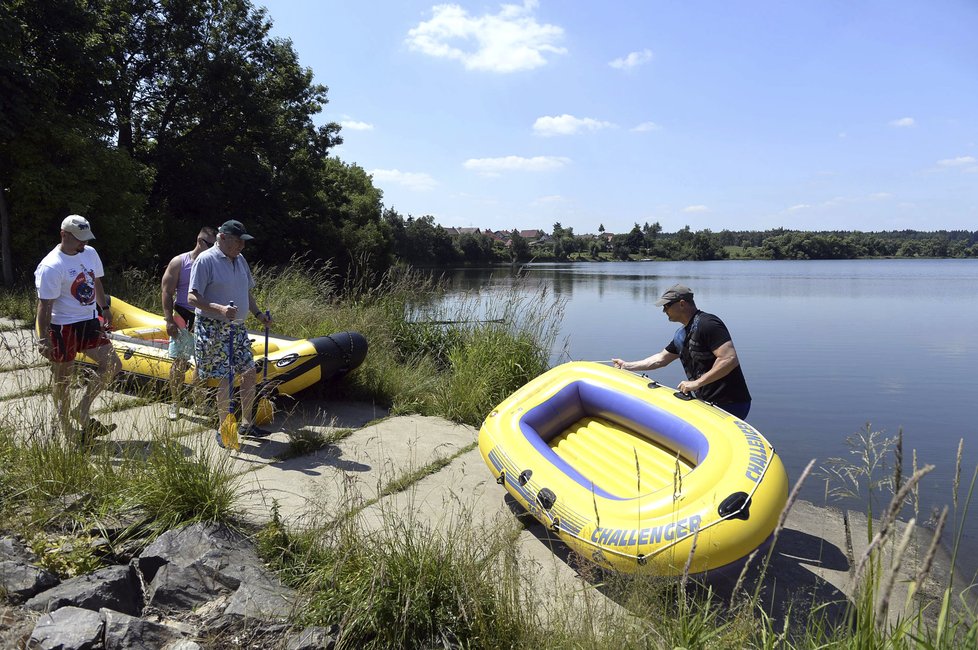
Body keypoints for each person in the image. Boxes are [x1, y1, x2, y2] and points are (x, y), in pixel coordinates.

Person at [34, 215, 122, 444]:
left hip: (89, 320)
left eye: (86, 238)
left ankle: (82, 409)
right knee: (63, 378)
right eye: (79, 239)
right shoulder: (52, 266)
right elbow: (44, 305)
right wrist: (43, 339)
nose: (84, 243)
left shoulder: (89, 253)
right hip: (62, 326)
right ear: (64, 235)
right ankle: (65, 426)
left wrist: (105, 308)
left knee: (112, 365)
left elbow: (97, 282)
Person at [187, 219, 272, 446]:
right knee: (225, 378)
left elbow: (247, 292)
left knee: (249, 372)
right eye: (237, 242)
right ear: (222, 238)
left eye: (243, 243)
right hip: (213, 327)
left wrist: (258, 314)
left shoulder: (240, 260)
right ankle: (224, 428)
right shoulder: (206, 261)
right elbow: (192, 297)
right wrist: (220, 309)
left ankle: (247, 423)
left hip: (238, 327)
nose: (241, 247)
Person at [612, 284, 752, 420]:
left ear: (682, 304)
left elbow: (729, 359)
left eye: (666, 306)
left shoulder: (708, 324)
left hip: (732, 404)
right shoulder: (682, 334)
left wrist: (696, 383)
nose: (664, 311)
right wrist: (627, 366)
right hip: (706, 402)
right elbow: (661, 359)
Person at [161, 226, 217, 420]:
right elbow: (167, 292)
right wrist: (169, 320)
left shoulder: (213, 264)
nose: (214, 248)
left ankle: (199, 402)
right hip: (183, 316)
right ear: (200, 241)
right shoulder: (180, 262)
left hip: (205, 317)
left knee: (203, 364)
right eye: (211, 244)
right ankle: (175, 403)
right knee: (179, 362)